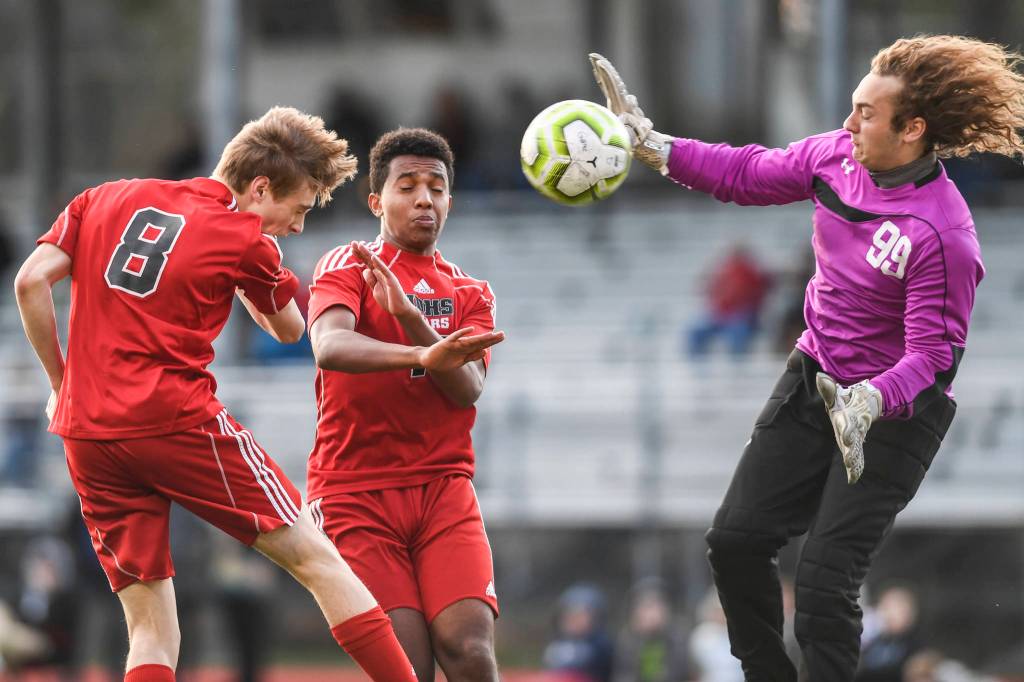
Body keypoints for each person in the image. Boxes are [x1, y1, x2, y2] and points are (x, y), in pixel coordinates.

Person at [590, 34, 1024, 681]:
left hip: (895, 415)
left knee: (824, 584)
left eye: (866, 115)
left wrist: (872, 398)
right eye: (852, 107)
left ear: (913, 130)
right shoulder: (833, 156)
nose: (848, 123)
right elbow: (744, 173)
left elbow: (933, 356)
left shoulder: (944, 234)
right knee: (735, 545)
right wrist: (658, 148)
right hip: (813, 382)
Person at [14, 106, 421, 682]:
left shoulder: (105, 196)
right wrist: (253, 275)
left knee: (151, 624)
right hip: (174, 420)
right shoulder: (243, 238)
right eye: (298, 208)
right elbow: (290, 328)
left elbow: (30, 282)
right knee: (318, 558)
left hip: (87, 434)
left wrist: (62, 382)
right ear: (259, 188)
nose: (298, 226)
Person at [306, 127, 505, 682]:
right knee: (406, 669)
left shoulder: (471, 291)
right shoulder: (349, 263)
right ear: (376, 201)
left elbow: (468, 388)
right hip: (355, 493)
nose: (425, 199)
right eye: (408, 185)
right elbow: (330, 346)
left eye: (437, 188)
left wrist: (415, 323)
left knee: (469, 651)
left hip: (443, 489)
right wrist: (423, 349)